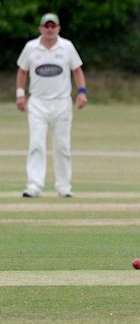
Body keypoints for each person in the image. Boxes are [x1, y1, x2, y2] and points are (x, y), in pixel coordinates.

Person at [16, 13, 88, 198]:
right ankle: (34, 186)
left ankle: (64, 187)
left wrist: (82, 92)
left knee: (62, 147)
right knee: (36, 145)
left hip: (62, 103)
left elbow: (77, 71)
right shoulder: (31, 48)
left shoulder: (67, 47)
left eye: (53, 26)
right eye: (46, 26)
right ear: (41, 28)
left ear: (58, 28)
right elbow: (22, 72)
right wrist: (20, 94)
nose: (49, 30)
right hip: (38, 103)